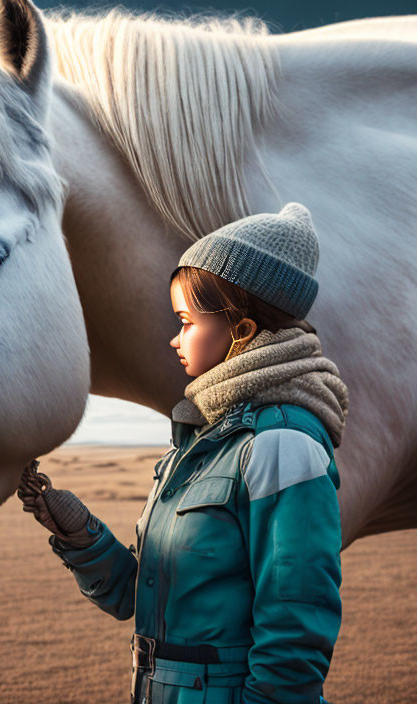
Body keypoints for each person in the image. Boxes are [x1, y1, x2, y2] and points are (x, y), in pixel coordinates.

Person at [17, 203, 348, 704]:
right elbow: (138, 594)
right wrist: (75, 529)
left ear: (241, 332)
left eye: (186, 320)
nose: (175, 338)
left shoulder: (283, 445)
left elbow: (296, 631)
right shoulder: (200, 441)